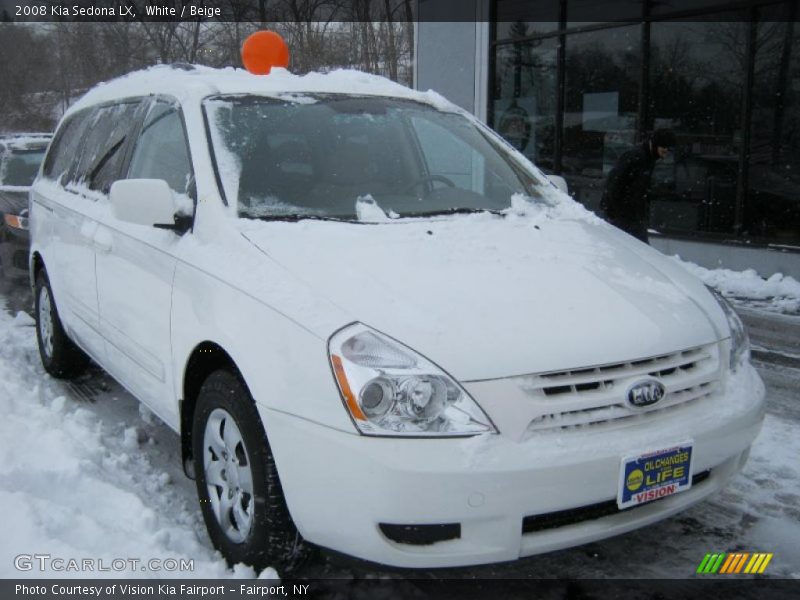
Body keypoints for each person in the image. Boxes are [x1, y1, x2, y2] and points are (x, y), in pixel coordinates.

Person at [601, 129, 676, 243]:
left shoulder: (648, 159)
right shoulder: (636, 157)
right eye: (664, 147)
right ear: (656, 145)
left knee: (637, 250)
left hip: (633, 215)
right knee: (636, 250)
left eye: (668, 149)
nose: (666, 152)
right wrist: (613, 213)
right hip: (624, 215)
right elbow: (614, 183)